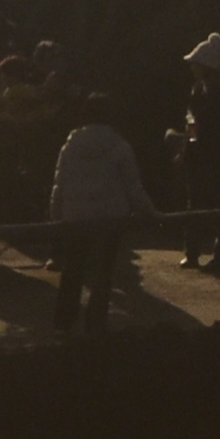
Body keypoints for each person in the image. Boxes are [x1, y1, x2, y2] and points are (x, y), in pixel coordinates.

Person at [43, 104, 151, 334]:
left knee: (73, 270)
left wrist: (56, 216)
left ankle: (63, 322)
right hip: (110, 216)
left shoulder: (70, 146)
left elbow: (59, 184)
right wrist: (150, 212)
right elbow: (133, 186)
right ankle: (96, 324)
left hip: (76, 215)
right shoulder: (120, 146)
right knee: (103, 272)